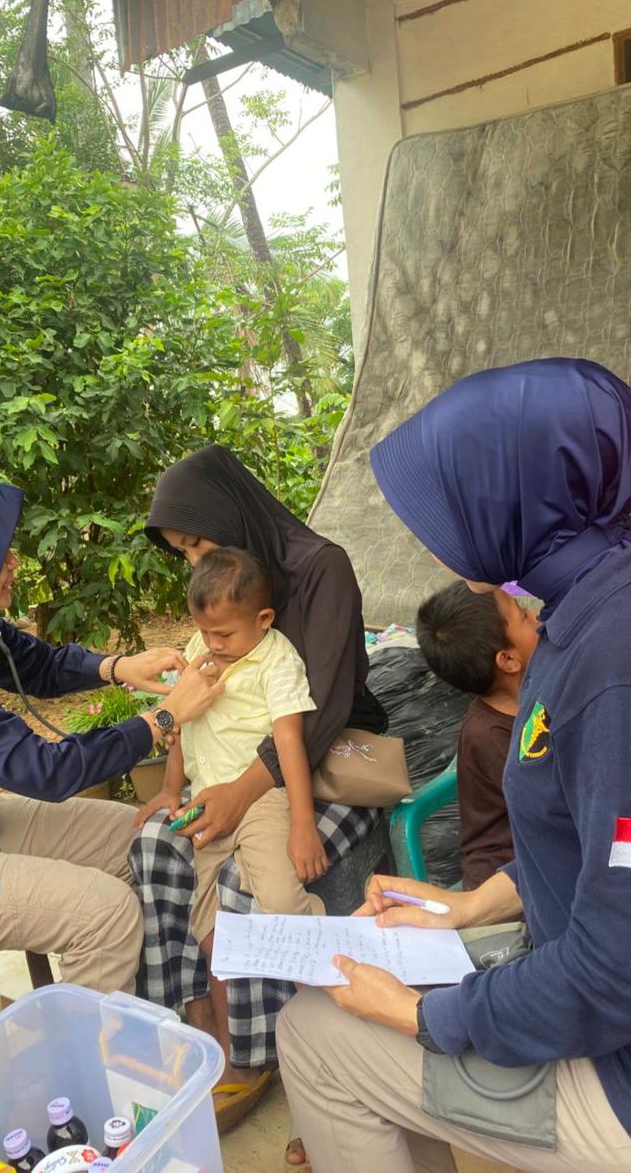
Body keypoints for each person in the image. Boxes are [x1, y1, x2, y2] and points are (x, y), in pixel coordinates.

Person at [277, 357, 631, 1173]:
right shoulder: (582, 610)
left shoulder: (610, 669)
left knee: (317, 1034)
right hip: (578, 974)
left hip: (618, 1069)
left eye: (449, 505)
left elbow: (611, 975)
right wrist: (468, 905)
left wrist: (422, 1015)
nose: (431, 535)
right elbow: (590, 844)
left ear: (517, 499)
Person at [0, 476, 222, 995]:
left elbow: (36, 664)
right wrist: (163, 718)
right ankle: (85, 1064)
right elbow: (43, 770)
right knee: (103, 914)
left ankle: (138, 1013)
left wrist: (119, 666)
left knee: (141, 837)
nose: (12, 561)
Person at [130, 444, 387, 1144]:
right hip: (237, 761)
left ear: (229, 514)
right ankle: (199, 1019)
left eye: (198, 541)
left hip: (319, 752)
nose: (193, 560)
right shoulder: (225, 598)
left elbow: (323, 709)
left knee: (255, 876)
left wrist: (243, 793)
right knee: (156, 845)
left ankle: (288, 1049)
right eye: (182, 551)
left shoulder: (319, 569)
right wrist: (177, 785)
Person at [135, 547, 325, 1110]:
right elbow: (183, 729)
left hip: (260, 799)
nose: (210, 646)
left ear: (263, 621)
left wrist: (303, 824)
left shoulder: (277, 661)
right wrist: (172, 789)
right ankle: (228, 1040)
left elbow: (289, 742)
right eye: (203, 633)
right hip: (204, 803)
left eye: (222, 635)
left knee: (280, 899)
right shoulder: (203, 649)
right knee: (205, 917)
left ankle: (337, 977)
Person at [416, 580, 538, 888]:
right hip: (512, 885)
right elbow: (561, 811)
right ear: (509, 660)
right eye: (524, 615)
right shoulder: (493, 739)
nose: (537, 616)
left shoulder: (536, 690)